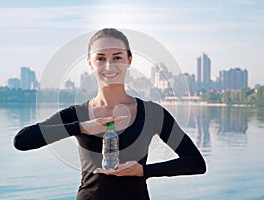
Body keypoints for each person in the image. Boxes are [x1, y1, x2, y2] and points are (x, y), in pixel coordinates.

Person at [13, 28, 206, 200]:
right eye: (100, 58)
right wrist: (80, 127)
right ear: (90, 63)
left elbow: (195, 163)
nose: (109, 66)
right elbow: (22, 141)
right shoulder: (77, 114)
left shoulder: (152, 113)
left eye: (117, 57)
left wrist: (143, 171)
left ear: (129, 60)